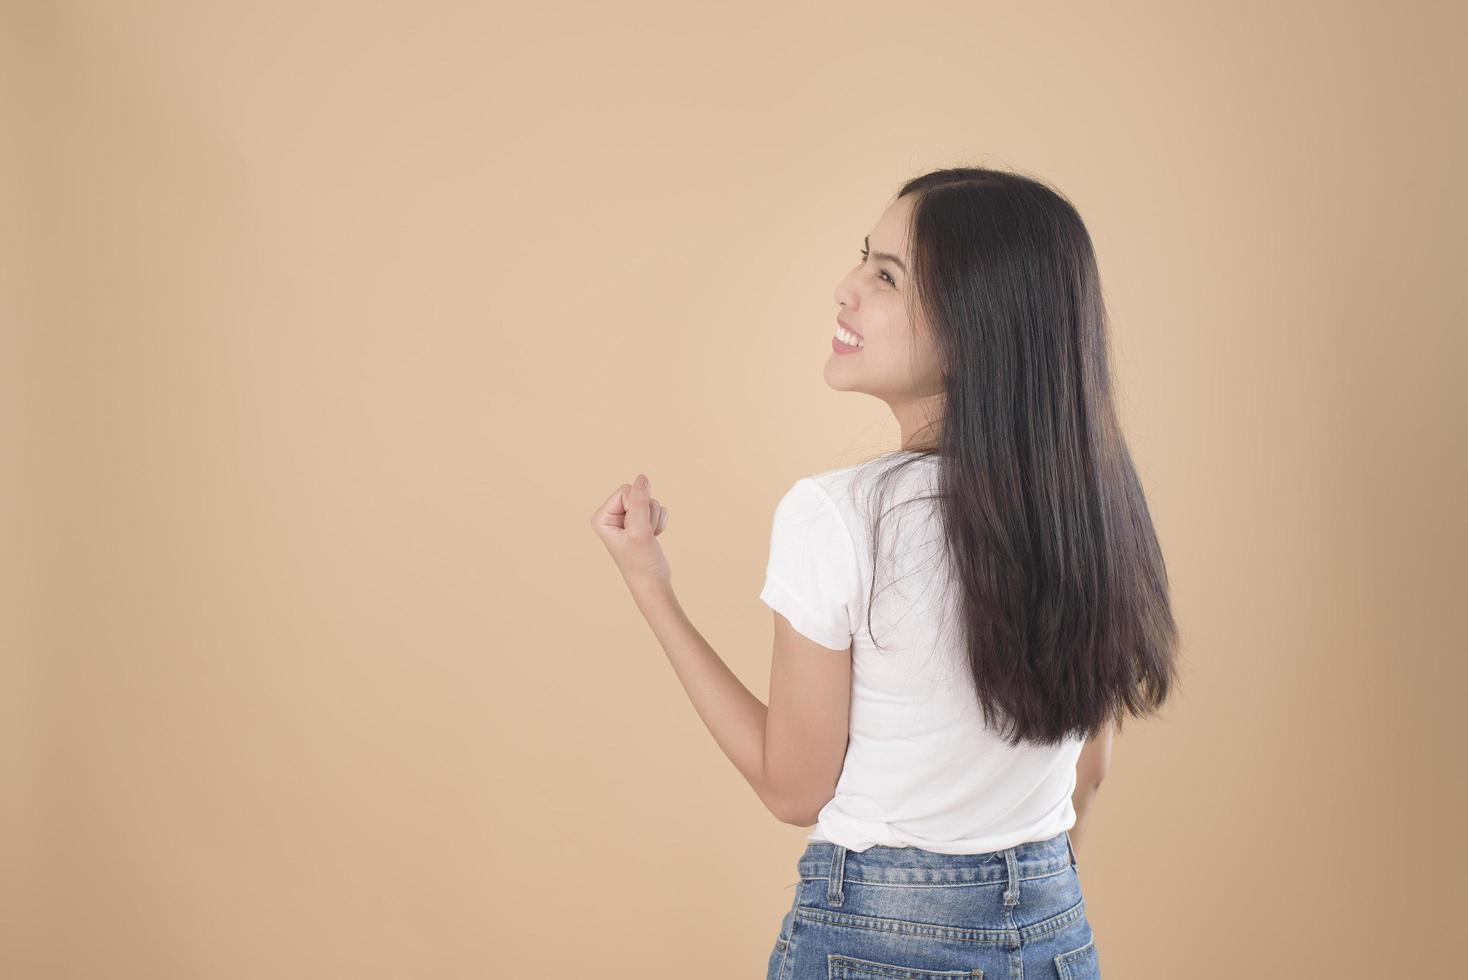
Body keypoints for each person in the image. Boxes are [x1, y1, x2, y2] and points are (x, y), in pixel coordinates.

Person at [591, 166, 1178, 980]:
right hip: (1053, 931)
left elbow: (792, 788)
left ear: (974, 328)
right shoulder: (1092, 504)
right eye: (863, 260)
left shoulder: (838, 515)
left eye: (886, 277)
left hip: (877, 939)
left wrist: (650, 586)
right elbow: (1091, 770)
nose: (845, 289)